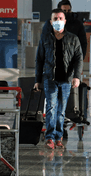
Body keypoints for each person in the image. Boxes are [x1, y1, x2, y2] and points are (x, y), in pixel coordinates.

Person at [34, 9, 83, 149]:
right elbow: (39, 60)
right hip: (50, 79)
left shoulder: (73, 39)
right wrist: (38, 80)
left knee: (61, 111)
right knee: (51, 108)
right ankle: (49, 137)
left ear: (65, 21)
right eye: (55, 18)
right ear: (51, 21)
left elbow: (79, 59)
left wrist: (77, 77)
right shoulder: (45, 39)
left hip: (66, 80)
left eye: (60, 18)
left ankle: (58, 137)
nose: (58, 21)